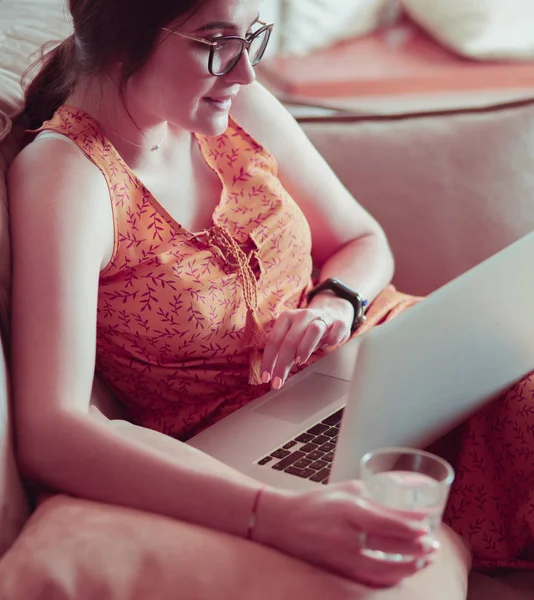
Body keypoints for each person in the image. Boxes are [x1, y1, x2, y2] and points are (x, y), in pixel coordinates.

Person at [10, 0, 524, 596]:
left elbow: (364, 240)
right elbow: (52, 428)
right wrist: (275, 516)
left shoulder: (236, 108)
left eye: (251, 37)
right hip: (259, 449)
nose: (245, 72)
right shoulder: (68, 177)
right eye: (216, 42)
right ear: (124, 36)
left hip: (383, 359)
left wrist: (333, 303)